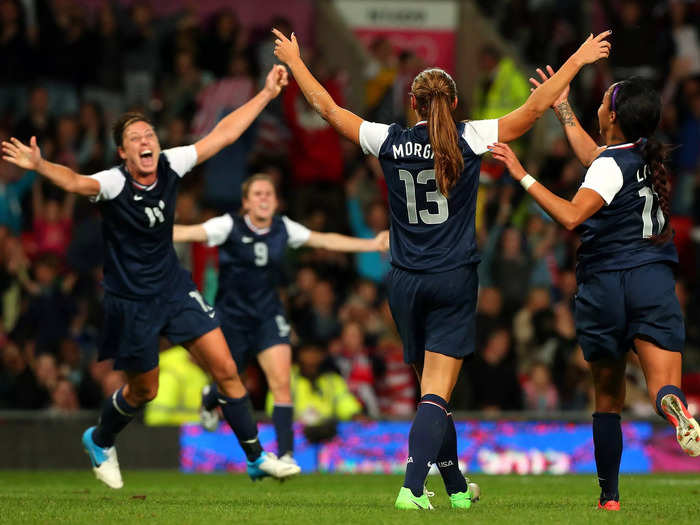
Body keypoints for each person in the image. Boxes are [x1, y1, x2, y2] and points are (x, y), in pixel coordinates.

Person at [272, 28, 611, 510]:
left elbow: (327, 109)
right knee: (436, 392)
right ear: (451, 104)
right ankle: (411, 487)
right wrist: (577, 59)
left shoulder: (387, 139)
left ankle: (454, 487)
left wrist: (296, 60)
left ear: (412, 103)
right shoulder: (470, 137)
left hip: (404, 281)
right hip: (453, 278)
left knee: (432, 390)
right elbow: (535, 111)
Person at [1, 65, 302, 489]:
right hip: (131, 301)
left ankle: (255, 458)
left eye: (149, 135)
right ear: (122, 153)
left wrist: (267, 94)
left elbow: (224, 134)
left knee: (227, 370)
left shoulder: (171, 164)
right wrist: (40, 165)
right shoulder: (112, 182)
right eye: (135, 139)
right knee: (144, 392)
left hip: (174, 288)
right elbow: (74, 182)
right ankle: (100, 439)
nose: (146, 142)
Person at [489, 73, 700, 511]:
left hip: (605, 285)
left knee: (608, 399)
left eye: (604, 100)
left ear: (613, 116)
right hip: (652, 281)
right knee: (664, 385)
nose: (600, 104)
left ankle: (609, 499)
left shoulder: (610, 165)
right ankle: (677, 409)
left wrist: (522, 174)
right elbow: (597, 159)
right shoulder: (645, 154)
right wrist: (562, 107)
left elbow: (570, 216)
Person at [172, 173, 389, 464]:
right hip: (232, 318)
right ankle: (210, 398)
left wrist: (371, 245)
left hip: (268, 316)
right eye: (257, 194)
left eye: (269, 194)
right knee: (228, 379)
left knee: (281, 381)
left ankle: (286, 455)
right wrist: (144, 232)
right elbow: (189, 233)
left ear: (275, 202)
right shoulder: (227, 225)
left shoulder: (283, 228)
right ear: (246, 202)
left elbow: (324, 239)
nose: (263, 199)